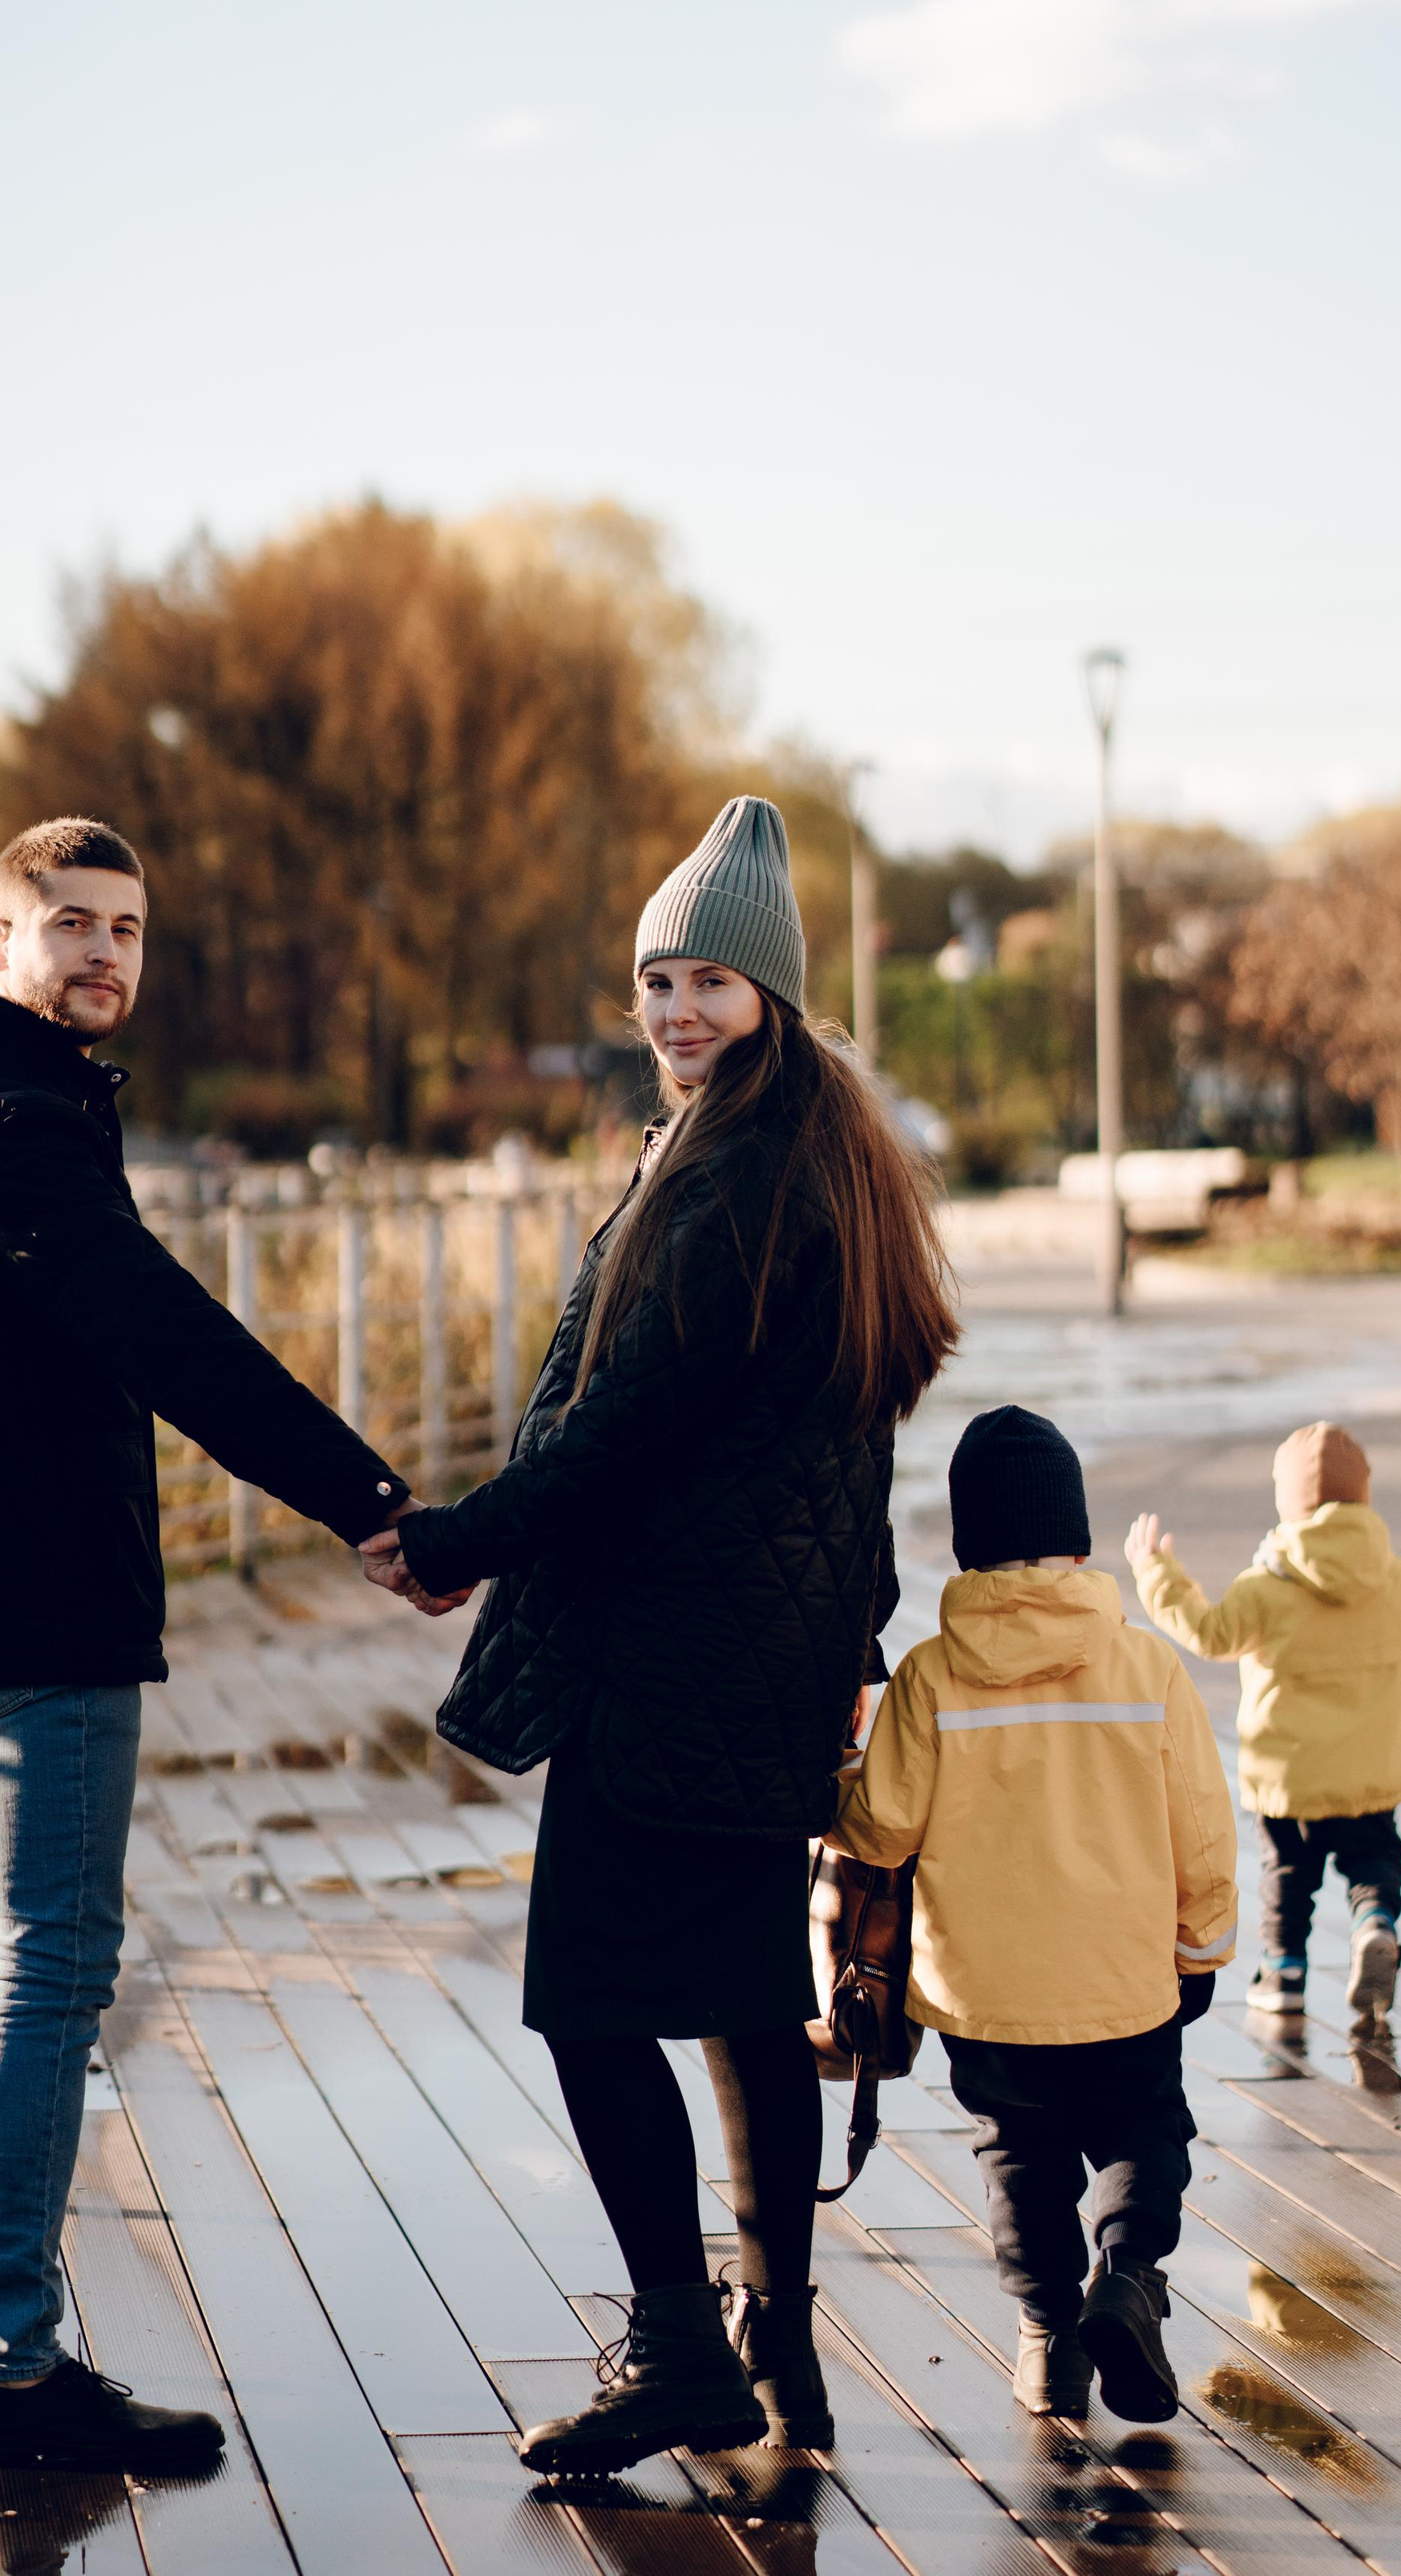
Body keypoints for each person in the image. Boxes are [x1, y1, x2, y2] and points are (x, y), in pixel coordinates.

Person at [363, 796, 956, 2474]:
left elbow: (619, 1430)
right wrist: (850, 1638)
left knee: (591, 2000)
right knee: (747, 2002)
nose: (677, 1008)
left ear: (768, 989)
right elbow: (840, 1452)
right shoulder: (810, 1155)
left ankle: (684, 2350)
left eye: (708, 977)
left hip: (678, 1669)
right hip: (764, 1677)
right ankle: (772, 2333)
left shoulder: (735, 1184)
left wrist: (455, 1541)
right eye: (654, 979)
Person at [0, 816, 410, 2472]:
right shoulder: (20, 1128)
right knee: (42, 1964)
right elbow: (176, 1339)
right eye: (71, 924)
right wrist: (362, 1494)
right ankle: (12, 2366)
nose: (104, 954)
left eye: (128, 929)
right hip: (34, 1608)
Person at [832, 1406, 1237, 2426]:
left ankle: (1049, 2341)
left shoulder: (929, 1675)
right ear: (1081, 1538)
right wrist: (1202, 1948)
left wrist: (838, 1773)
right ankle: (1129, 2276)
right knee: (1146, 2132)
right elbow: (1200, 1828)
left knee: (1020, 2156)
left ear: (968, 1544)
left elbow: (879, 1831)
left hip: (985, 1990)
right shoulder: (1146, 1668)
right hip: (1125, 1976)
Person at [1131, 1421, 1401, 2032]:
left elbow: (1208, 1631)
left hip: (1289, 1776)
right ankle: (1375, 1923)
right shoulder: (1390, 1577)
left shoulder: (1268, 1584)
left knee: (1286, 1876)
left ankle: (1283, 1972)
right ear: (1362, 1496)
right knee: (1375, 1860)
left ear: (1288, 1501)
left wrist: (1157, 1571)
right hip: (1371, 1772)